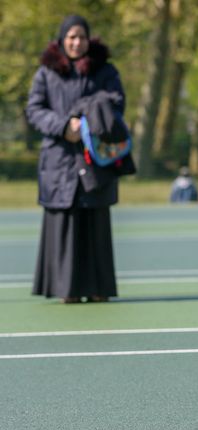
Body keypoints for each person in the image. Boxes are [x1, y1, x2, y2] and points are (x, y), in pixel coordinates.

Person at [26, 15, 126, 304]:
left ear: (89, 39)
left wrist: (82, 122)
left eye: (81, 36)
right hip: (58, 162)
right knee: (63, 223)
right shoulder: (46, 73)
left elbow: (116, 103)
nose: (76, 42)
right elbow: (34, 109)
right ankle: (65, 289)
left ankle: (98, 288)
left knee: (95, 222)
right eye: (71, 37)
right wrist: (62, 127)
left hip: (95, 161)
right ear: (61, 40)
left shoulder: (105, 70)